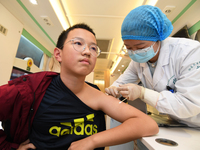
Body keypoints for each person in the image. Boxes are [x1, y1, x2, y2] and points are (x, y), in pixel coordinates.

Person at [0, 23, 159, 150]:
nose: (87, 52)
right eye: (78, 43)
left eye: (93, 48)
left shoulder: (98, 96)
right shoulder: (31, 89)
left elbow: (148, 124)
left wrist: (92, 141)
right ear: (58, 54)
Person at [105, 5, 200, 128]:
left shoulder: (190, 52)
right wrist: (113, 89)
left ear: (157, 39)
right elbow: (121, 82)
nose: (134, 52)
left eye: (140, 47)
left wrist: (142, 93)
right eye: (128, 47)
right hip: (178, 122)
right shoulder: (138, 62)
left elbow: (189, 104)